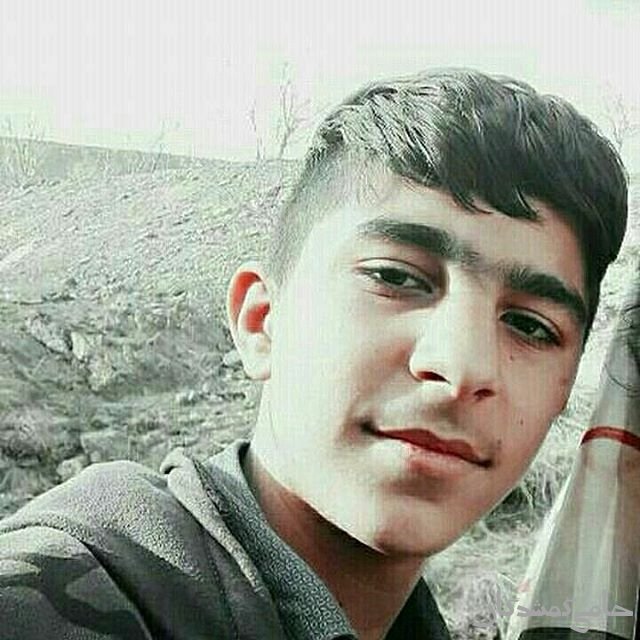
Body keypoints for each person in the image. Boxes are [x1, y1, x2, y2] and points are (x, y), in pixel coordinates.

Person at [0, 68, 628, 639]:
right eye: (396, 278)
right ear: (261, 321)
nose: (462, 368)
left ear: (565, 389)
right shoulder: (45, 604)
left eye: (530, 326)